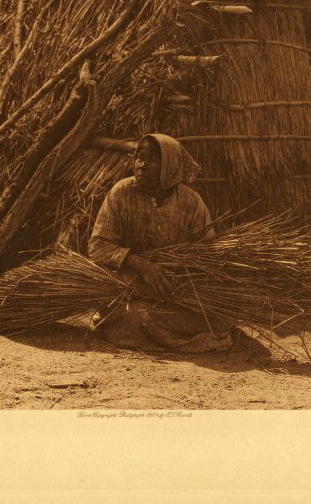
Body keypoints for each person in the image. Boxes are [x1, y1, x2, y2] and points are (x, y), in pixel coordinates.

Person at [87, 133, 234, 352]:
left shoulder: (190, 201)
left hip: (174, 292)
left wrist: (178, 274)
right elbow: (98, 246)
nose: (141, 165)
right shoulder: (121, 193)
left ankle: (159, 327)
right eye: (140, 157)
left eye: (152, 160)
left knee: (222, 316)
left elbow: (208, 252)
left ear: (171, 167)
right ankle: (169, 333)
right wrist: (142, 266)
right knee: (127, 316)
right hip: (130, 289)